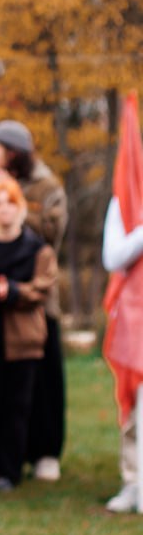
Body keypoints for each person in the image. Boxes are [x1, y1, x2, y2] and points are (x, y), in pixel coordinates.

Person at [0, 119, 68, 483]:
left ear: (11, 151)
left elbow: (53, 231)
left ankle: (45, 452)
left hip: (37, 301)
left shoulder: (47, 186)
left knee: (43, 385)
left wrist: (12, 200)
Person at [0, 178, 56, 492]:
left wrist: (15, 291)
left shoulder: (37, 248)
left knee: (16, 407)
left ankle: (9, 469)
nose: (4, 209)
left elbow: (43, 287)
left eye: (10, 202)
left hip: (22, 339)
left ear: (20, 208)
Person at [103, 191, 143, 512]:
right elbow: (112, 257)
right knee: (135, 402)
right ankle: (133, 481)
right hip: (136, 315)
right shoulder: (126, 199)